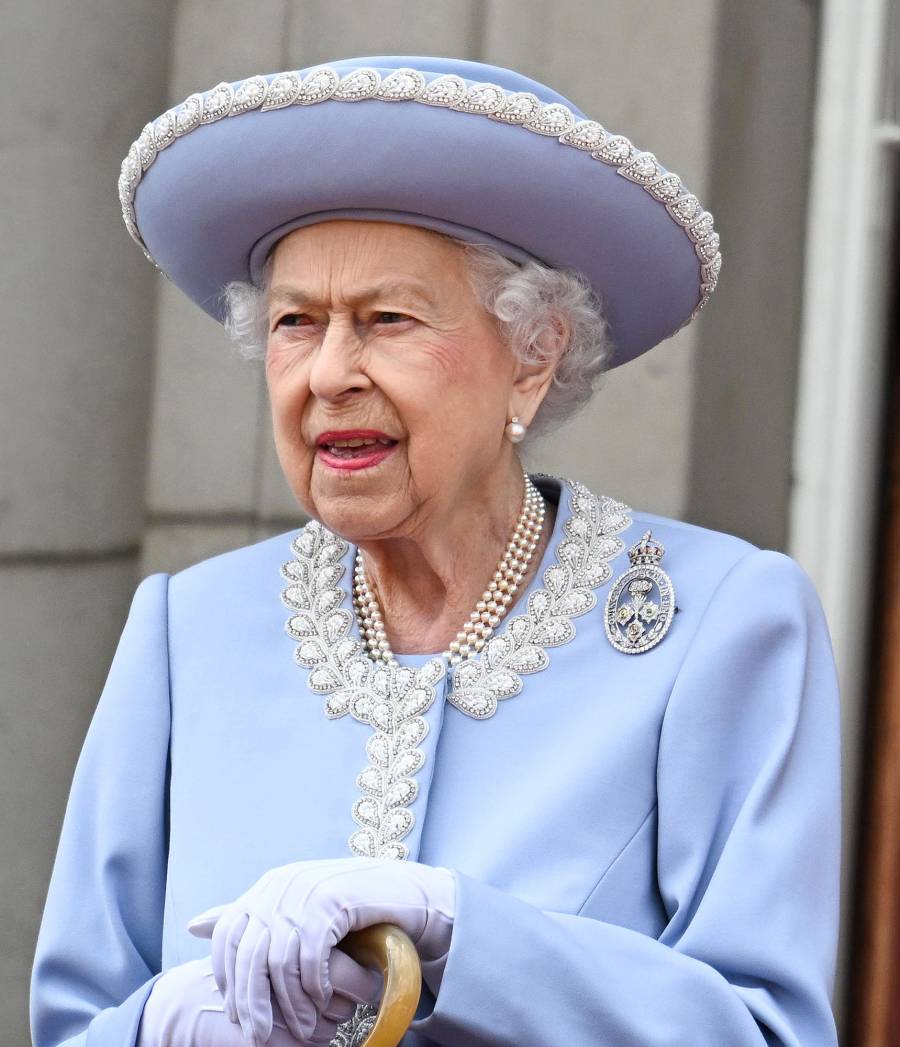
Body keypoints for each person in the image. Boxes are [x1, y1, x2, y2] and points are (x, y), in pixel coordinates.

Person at [30, 55, 840, 1046]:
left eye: (387, 321)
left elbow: (765, 1031)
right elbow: (72, 1024)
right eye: (296, 323)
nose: (328, 373)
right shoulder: (185, 630)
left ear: (533, 358)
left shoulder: (718, 624)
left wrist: (463, 936)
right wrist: (167, 1022)